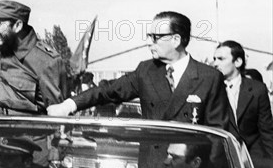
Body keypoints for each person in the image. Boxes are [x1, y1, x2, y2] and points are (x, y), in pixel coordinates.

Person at [47, 11, 237, 136]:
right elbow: (107, 91)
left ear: (176, 40)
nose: (148, 42)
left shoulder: (209, 77)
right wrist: (69, 105)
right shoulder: (146, 72)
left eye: (155, 37)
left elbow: (218, 133)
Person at [213, 40, 273, 168]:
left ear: (238, 61)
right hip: (223, 157)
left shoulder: (258, 89)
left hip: (254, 156)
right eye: (214, 59)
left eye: (221, 59)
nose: (215, 63)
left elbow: (266, 130)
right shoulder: (211, 88)